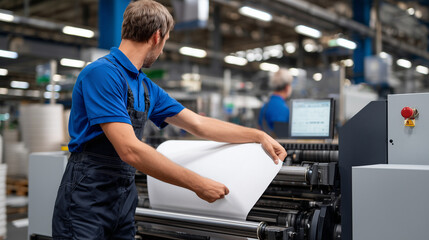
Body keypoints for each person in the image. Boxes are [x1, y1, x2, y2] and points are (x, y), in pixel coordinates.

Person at [52, 1, 287, 239]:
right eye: (165, 42)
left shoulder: (145, 87)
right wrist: (197, 183)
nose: (162, 50)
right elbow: (129, 150)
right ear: (157, 36)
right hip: (86, 199)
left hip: (122, 197)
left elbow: (198, 124)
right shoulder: (102, 74)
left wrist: (258, 136)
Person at [258, 68, 293, 134]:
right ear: (287, 87)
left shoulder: (265, 105)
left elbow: (259, 127)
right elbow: (281, 135)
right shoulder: (282, 108)